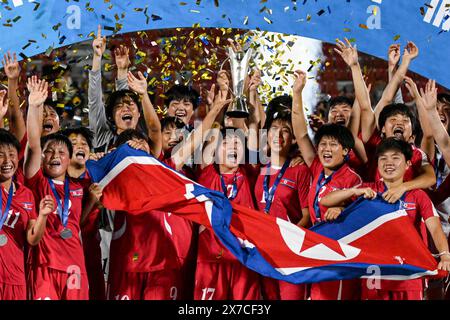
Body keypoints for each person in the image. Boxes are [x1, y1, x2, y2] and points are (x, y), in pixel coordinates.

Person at [320, 138, 450, 300]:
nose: (389, 162)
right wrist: (352, 194)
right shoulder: (369, 191)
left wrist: (445, 255)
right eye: (383, 158)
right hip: (375, 272)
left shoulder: (417, 195)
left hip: (409, 275)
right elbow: (324, 200)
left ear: (408, 164)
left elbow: (435, 228)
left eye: (395, 158)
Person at [292, 69, 363, 300]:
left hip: (339, 252)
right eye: (323, 144)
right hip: (314, 244)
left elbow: (361, 218)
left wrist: (343, 210)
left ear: (345, 151)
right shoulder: (316, 168)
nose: (326, 149)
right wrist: (297, 93)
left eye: (333, 145)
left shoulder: (353, 179)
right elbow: (302, 134)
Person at [24, 76, 96, 300]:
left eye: (61, 152)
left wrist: (93, 201)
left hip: (75, 264)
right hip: (44, 265)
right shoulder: (37, 182)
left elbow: (77, 222)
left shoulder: (79, 187)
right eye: (49, 152)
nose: (55, 156)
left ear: (69, 158)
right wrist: (35, 106)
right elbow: (33, 144)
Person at [253, 105, 311, 300]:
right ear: (267, 135)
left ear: (293, 139)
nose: (279, 134)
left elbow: (307, 215)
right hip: (263, 251)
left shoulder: (300, 170)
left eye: (285, 130)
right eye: (274, 129)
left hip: (290, 252)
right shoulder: (260, 169)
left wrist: (288, 240)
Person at [0, 127, 55, 300]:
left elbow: (32, 239)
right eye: (0, 155)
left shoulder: (26, 195)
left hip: (15, 277)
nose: (7, 161)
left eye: (12, 154)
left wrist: (43, 216)